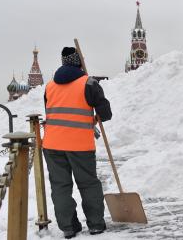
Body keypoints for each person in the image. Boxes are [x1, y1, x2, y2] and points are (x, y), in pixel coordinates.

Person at [43, 47, 112, 239]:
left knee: (60, 186)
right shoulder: (88, 83)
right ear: (79, 62)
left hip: (52, 145)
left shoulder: (49, 86)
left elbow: (53, 111)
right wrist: (96, 114)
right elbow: (105, 113)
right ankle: (96, 225)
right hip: (79, 145)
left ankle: (68, 227)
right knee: (88, 184)